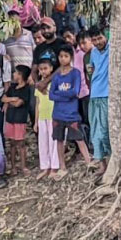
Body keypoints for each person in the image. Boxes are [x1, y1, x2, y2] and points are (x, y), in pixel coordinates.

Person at [49, 48, 92, 180]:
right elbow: (51, 95)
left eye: (66, 56)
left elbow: (75, 92)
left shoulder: (75, 73)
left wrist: (60, 94)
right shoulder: (56, 76)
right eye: (61, 56)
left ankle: (89, 162)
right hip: (58, 114)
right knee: (59, 140)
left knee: (79, 138)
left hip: (72, 113)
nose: (63, 59)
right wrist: (66, 96)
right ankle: (62, 166)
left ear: (71, 58)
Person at [2, 65, 34, 176]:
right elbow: (3, 98)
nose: (13, 75)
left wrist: (9, 101)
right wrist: (13, 99)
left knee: (20, 143)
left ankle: (23, 166)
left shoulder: (26, 89)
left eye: (15, 73)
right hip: (10, 119)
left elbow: (19, 103)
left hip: (20, 119)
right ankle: (13, 167)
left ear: (20, 75)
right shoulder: (12, 87)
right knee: (11, 143)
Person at [89, 26, 111, 174]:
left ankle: (111, 162)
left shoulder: (113, 48)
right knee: (95, 131)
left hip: (107, 94)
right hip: (94, 94)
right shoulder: (93, 52)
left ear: (106, 36)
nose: (97, 42)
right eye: (94, 40)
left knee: (105, 131)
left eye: (100, 38)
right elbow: (92, 68)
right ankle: (102, 164)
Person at [34, 59, 60, 179]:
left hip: (53, 116)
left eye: (45, 68)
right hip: (42, 117)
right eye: (41, 69)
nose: (43, 71)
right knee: (43, 142)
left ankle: (55, 167)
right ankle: (45, 166)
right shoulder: (38, 85)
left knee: (53, 141)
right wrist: (35, 121)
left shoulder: (55, 82)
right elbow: (37, 104)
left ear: (51, 69)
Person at [76, 32, 93, 127]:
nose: (82, 46)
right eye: (80, 44)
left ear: (91, 41)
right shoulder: (85, 56)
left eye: (84, 43)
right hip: (89, 90)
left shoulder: (97, 53)